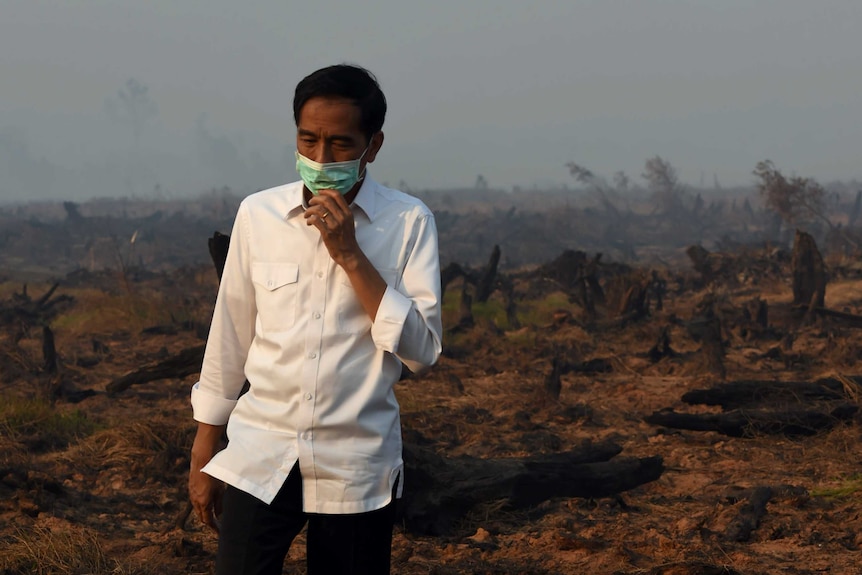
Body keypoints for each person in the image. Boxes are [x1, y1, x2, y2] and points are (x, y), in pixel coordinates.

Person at [188, 64, 442, 575]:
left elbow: (422, 352)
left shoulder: (408, 222)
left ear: (374, 146)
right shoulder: (258, 215)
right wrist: (204, 450)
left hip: (357, 462)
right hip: (262, 450)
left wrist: (350, 256)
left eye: (342, 145)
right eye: (309, 140)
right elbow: (230, 336)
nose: (321, 159)